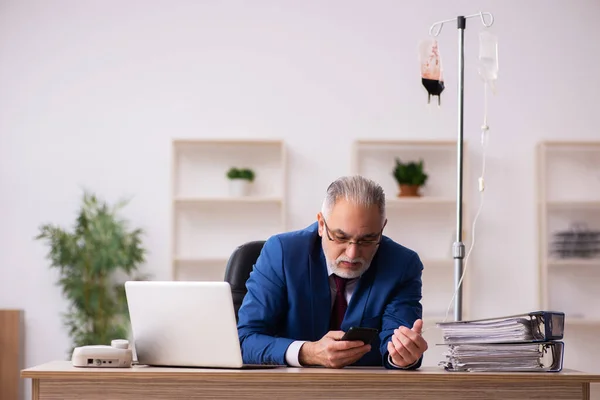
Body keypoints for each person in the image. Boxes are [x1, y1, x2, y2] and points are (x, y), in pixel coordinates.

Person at [237, 175, 428, 369]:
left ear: (382, 228)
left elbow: (395, 341)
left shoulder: (402, 264)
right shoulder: (282, 253)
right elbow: (245, 340)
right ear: (321, 225)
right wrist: (306, 352)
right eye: (340, 237)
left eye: (367, 240)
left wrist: (402, 355)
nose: (352, 254)